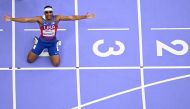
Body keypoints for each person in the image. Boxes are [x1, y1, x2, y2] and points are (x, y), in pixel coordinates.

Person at [4, 5, 95, 67]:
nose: (48, 14)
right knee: (29, 61)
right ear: (44, 13)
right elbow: (26, 20)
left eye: (50, 12)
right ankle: (36, 42)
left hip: (52, 43)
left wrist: (84, 16)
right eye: (46, 12)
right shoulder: (39, 19)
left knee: (56, 64)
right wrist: (12, 19)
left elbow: (71, 18)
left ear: (52, 12)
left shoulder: (57, 18)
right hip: (41, 42)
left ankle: (55, 45)